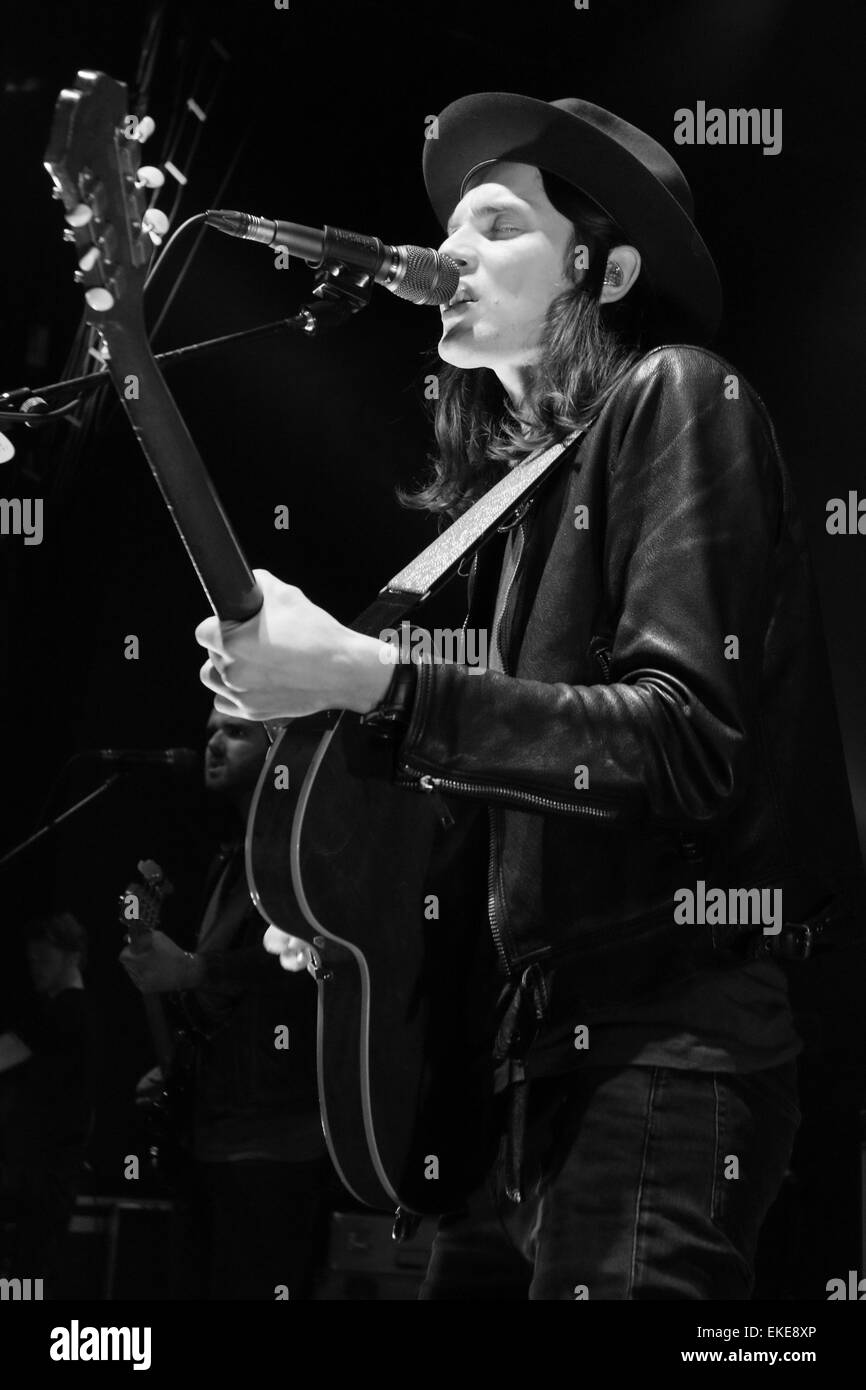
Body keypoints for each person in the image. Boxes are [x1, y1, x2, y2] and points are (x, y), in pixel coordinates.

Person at [192, 95, 866, 1299]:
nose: (448, 250)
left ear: (603, 269)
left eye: (495, 223)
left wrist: (367, 674)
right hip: (532, 1078)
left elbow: (679, 746)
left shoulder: (678, 393)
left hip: (662, 1050)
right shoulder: (518, 515)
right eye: (449, 224)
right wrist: (357, 898)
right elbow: (533, 806)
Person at [120, 709, 331, 1300]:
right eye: (210, 728)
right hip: (216, 1129)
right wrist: (179, 1062)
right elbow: (223, 997)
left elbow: (310, 964)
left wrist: (191, 968)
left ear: (279, 753)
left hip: (276, 1136)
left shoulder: (303, 846)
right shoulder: (232, 856)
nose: (212, 742)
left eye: (234, 732)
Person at [0, 912, 96, 1295]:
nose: (36, 967)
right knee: (30, 1272)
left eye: (45, 959)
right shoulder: (71, 1012)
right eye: (33, 959)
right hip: (45, 1171)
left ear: (72, 958)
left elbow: (6, 1052)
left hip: (45, 1173)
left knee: (31, 1274)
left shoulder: (67, 1011)